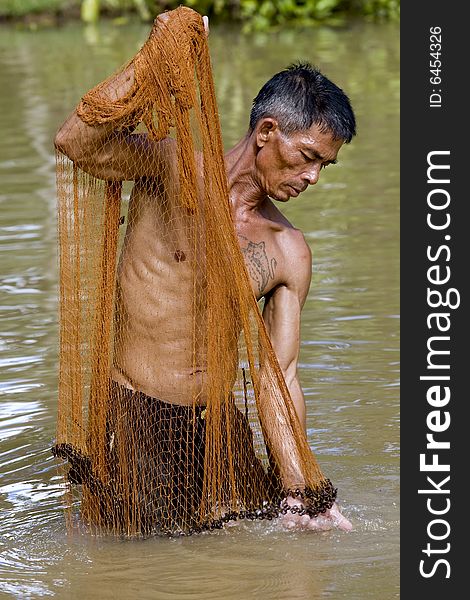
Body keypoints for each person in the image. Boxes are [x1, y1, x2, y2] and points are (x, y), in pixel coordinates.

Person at [54, 10, 356, 532]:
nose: (313, 176)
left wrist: (301, 490)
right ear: (267, 132)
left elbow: (278, 378)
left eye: (324, 165)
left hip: (217, 432)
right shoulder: (171, 169)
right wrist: (156, 54)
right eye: (307, 157)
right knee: (140, 565)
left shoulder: (289, 251)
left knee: (250, 561)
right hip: (136, 418)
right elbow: (75, 143)